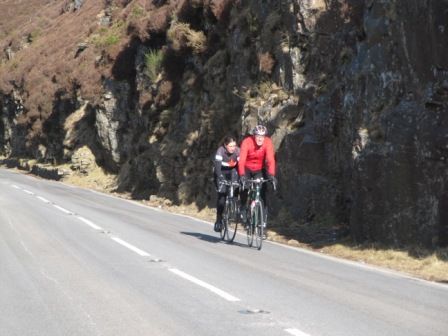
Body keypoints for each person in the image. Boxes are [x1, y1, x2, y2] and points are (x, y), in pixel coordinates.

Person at [238, 125, 277, 225]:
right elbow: (241, 160)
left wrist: (271, 175)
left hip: (259, 169)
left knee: (263, 192)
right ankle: (243, 205)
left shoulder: (268, 142)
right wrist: (242, 175)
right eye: (258, 136)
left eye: (262, 136)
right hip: (247, 167)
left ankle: (262, 223)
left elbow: (270, 159)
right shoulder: (247, 142)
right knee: (244, 187)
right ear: (254, 135)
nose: (260, 138)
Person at [213, 136, 240, 232]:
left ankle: (234, 205)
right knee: (222, 196)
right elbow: (217, 168)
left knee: (237, 186)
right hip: (221, 172)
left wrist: (242, 177)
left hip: (232, 171)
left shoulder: (238, 151)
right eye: (230, 146)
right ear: (225, 145)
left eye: (234, 145)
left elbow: (241, 166)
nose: (233, 148)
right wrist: (220, 178)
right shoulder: (220, 151)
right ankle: (219, 219)